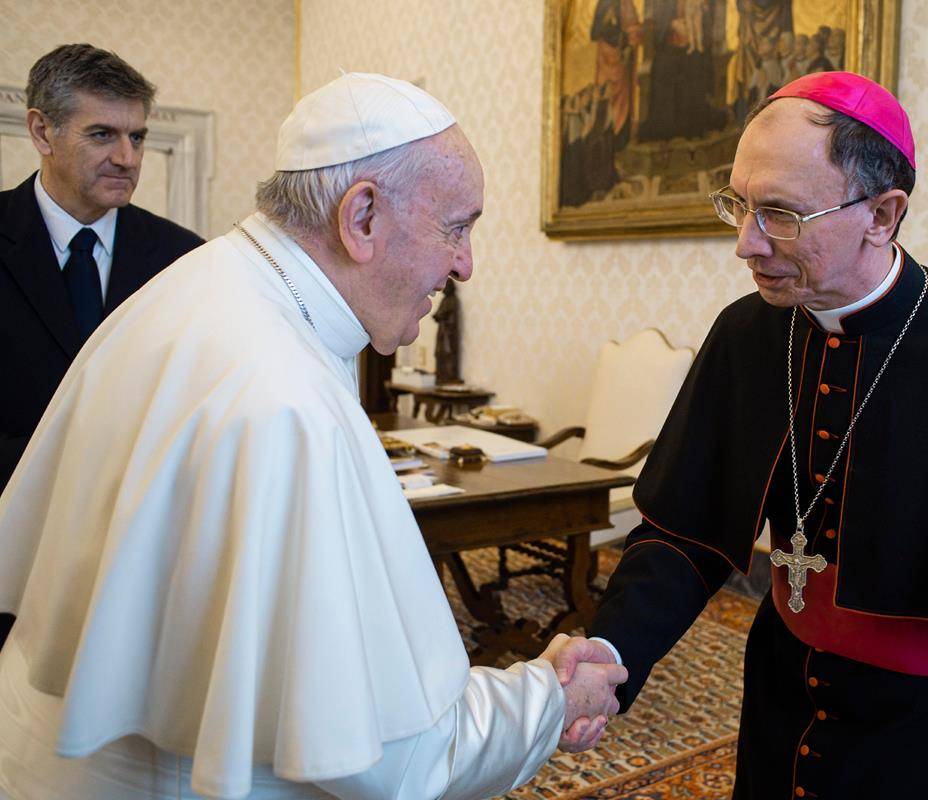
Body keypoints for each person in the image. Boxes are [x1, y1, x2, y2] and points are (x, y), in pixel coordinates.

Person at [0, 72, 625, 799]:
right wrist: (549, 700)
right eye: (457, 226)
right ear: (360, 218)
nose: (465, 263)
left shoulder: (200, 283)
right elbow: (397, 760)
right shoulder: (284, 401)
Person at [568, 72, 928, 799]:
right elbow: (685, 531)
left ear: (882, 213)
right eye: (739, 206)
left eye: (779, 213)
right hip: (780, 683)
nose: (746, 244)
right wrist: (610, 654)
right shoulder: (747, 334)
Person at [0, 44, 205, 651]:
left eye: (138, 138)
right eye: (102, 134)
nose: (127, 158)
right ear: (42, 129)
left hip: (141, 566)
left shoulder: (186, 259)